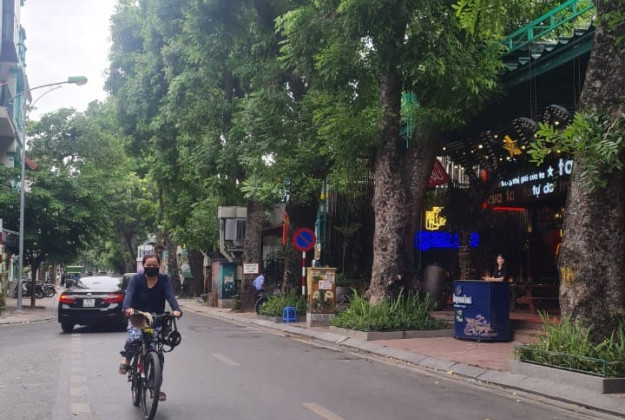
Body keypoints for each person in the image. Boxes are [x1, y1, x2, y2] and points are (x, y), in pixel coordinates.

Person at [118, 252, 182, 402]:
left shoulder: (164, 280)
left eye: (155, 265)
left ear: (159, 266)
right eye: (148, 265)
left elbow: (170, 295)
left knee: (157, 353)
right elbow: (129, 295)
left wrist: (176, 309)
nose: (151, 267)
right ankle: (127, 359)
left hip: (156, 319)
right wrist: (127, 309)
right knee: (134, 338)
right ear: (143, 266)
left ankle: (155, 386)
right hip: (137, 317)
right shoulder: (136, 279)